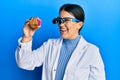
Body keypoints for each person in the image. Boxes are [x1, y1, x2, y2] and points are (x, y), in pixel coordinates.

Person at [15, 3, 106, 80]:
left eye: (66, 20)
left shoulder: (91, 51)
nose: (61, 24)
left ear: (79, 24)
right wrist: (27, 36)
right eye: (59, 20)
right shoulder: (50, 45)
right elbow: (24, 63)